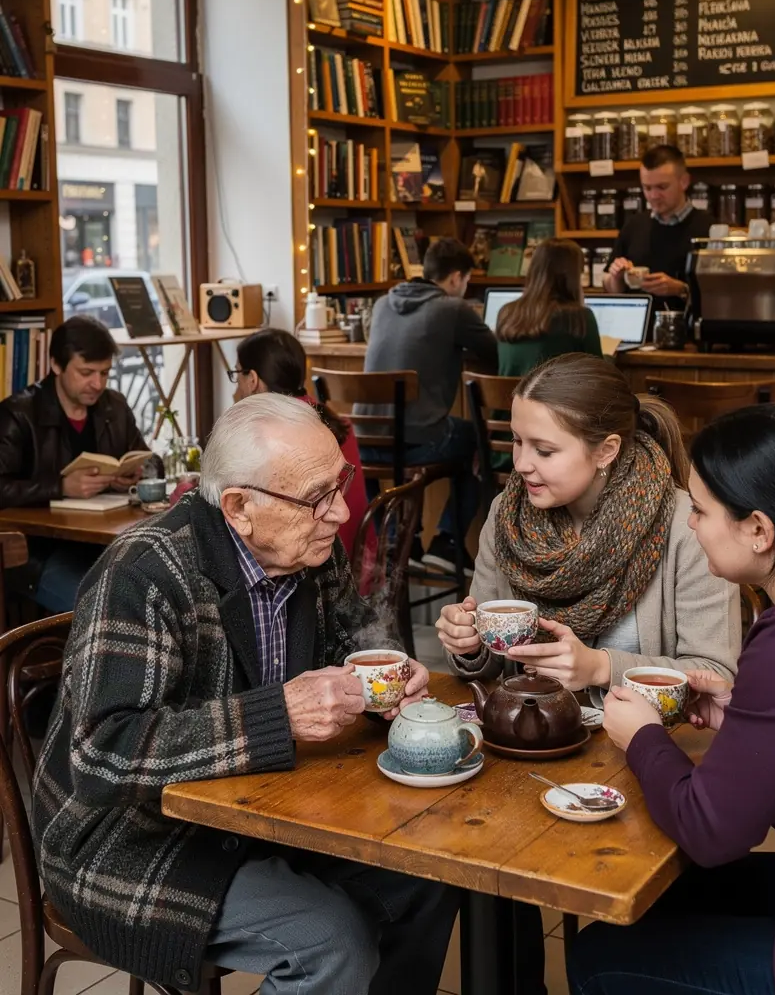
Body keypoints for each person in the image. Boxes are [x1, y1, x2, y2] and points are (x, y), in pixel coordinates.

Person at [32, 393, 457, 995]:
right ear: (238, 507)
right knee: (331, 938)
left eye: (342, 483)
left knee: (429, 874)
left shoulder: (310, 549)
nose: (339, 513)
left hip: (267, 808)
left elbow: (345, 647)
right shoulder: (144, 573)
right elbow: (103, 752)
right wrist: (278, 714)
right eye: (317, 498)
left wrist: (387, 677)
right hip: (133, 839)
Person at [571, 403, 775, 995]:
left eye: (701, 511)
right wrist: (744, 717)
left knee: (598, 957)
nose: (690, 525)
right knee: (660, 896)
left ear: (759, 530)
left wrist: (642, 737)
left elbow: (713, 832)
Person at [436, 353, 740, 695]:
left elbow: (716, 675)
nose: (520, 464)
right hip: (531, 735)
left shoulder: (687, 528)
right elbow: (490, 666)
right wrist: (468, 644)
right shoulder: (507, 516)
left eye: (545, 451)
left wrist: (602, 668)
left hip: (645, 740)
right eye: (517, 440)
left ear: (606, 450)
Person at [361, 236, 498, 576]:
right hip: (416, 443)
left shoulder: (382, 303)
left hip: (365, 443)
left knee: (452, 434)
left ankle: (395, 543)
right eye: (466, 282)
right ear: (456, 278)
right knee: (480, 441)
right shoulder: (452, 309)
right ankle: (448, 543)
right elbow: (495, 352)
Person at [0, 315, 149, 611]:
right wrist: (60, 486)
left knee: (152, 600)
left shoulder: (114, 407)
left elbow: (147, 457)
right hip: (37, 552)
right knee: (105, 611)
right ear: (56, 365)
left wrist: (133, 475)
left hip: (105, 545)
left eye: (105, 373)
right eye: (86, 372)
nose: (97, 384)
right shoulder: (18, 414)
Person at [230, 327, 368, 559]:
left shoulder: (272, 435)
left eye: (237, 375)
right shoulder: (335, 421)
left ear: (252, 379)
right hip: (357, 552)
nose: (236, 387)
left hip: (316, 561)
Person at [602, 145, 715, 309]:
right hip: (636, 330)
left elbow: (721, 296)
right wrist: (616, 278)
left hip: (686, 331)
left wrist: (681, 290)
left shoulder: (710, 229)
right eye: (647, 188)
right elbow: (611, 290)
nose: (653, 196)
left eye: (662, 187)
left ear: (684, 182)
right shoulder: (633, 225)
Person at [496, 238, 602, 377]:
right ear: (573, 276)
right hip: (556, 398)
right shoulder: (580, 317)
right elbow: (599, 375)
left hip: (509, 398)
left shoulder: (506, 312)